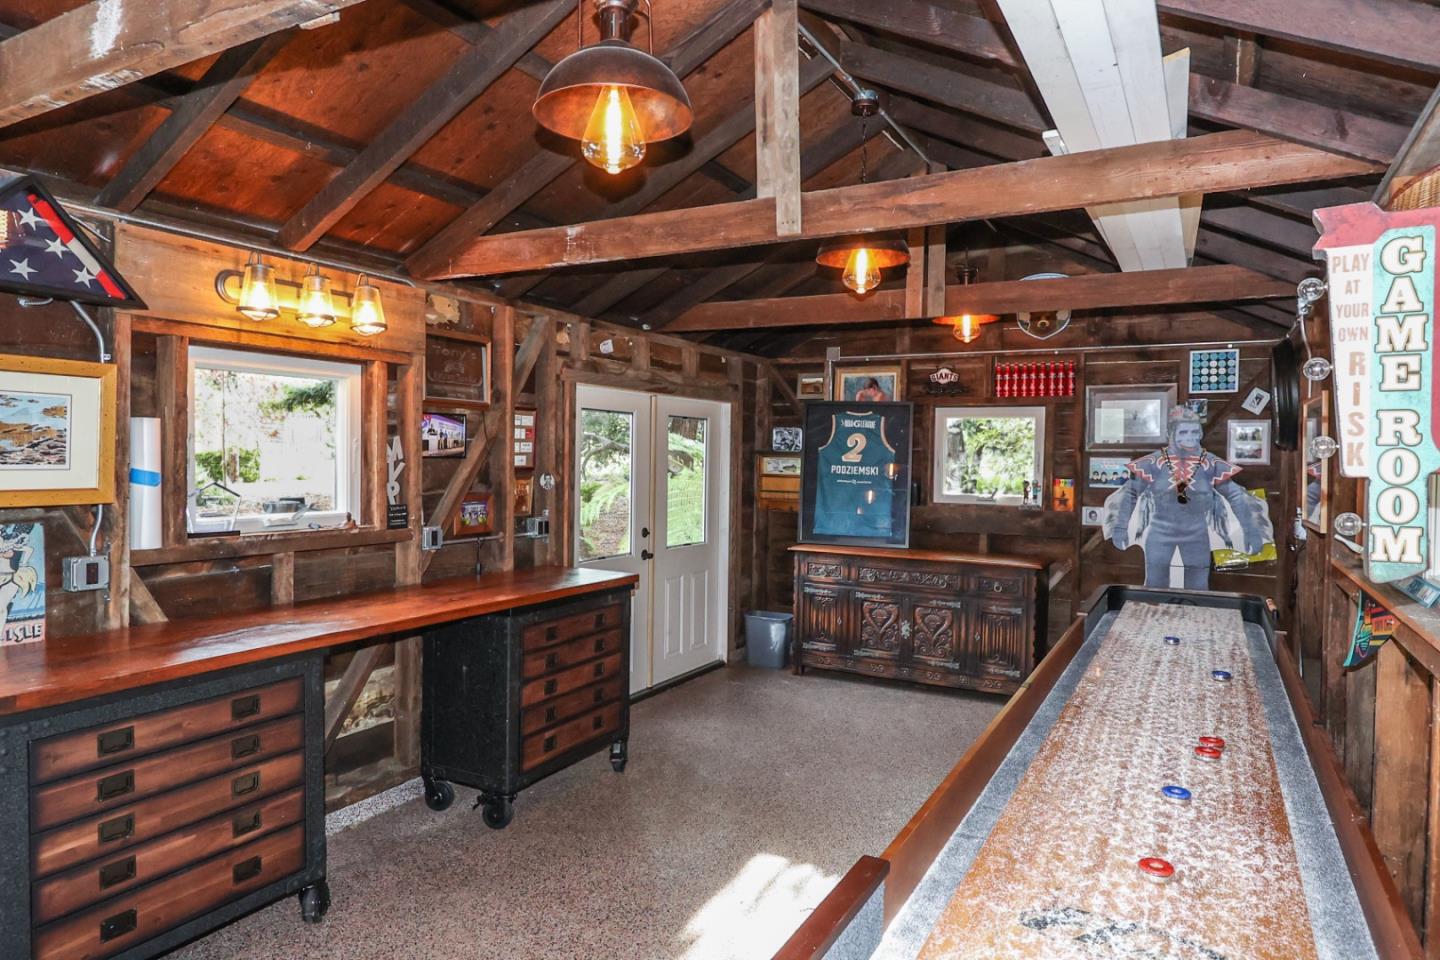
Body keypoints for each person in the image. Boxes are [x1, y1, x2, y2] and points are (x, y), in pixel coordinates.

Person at [1103, 406, 1272, 591]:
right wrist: (1120, 527)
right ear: (1171, 433)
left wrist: (1251, 531)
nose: (1190, 437)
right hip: (1160, 533)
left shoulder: (1210, 463)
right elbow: (1130, 493)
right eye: (1183, 432)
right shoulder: (1153, 463)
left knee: (1198, 588)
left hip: (1197, 535)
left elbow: (1235, 495)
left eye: (1194, 431)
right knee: (1154, 587)